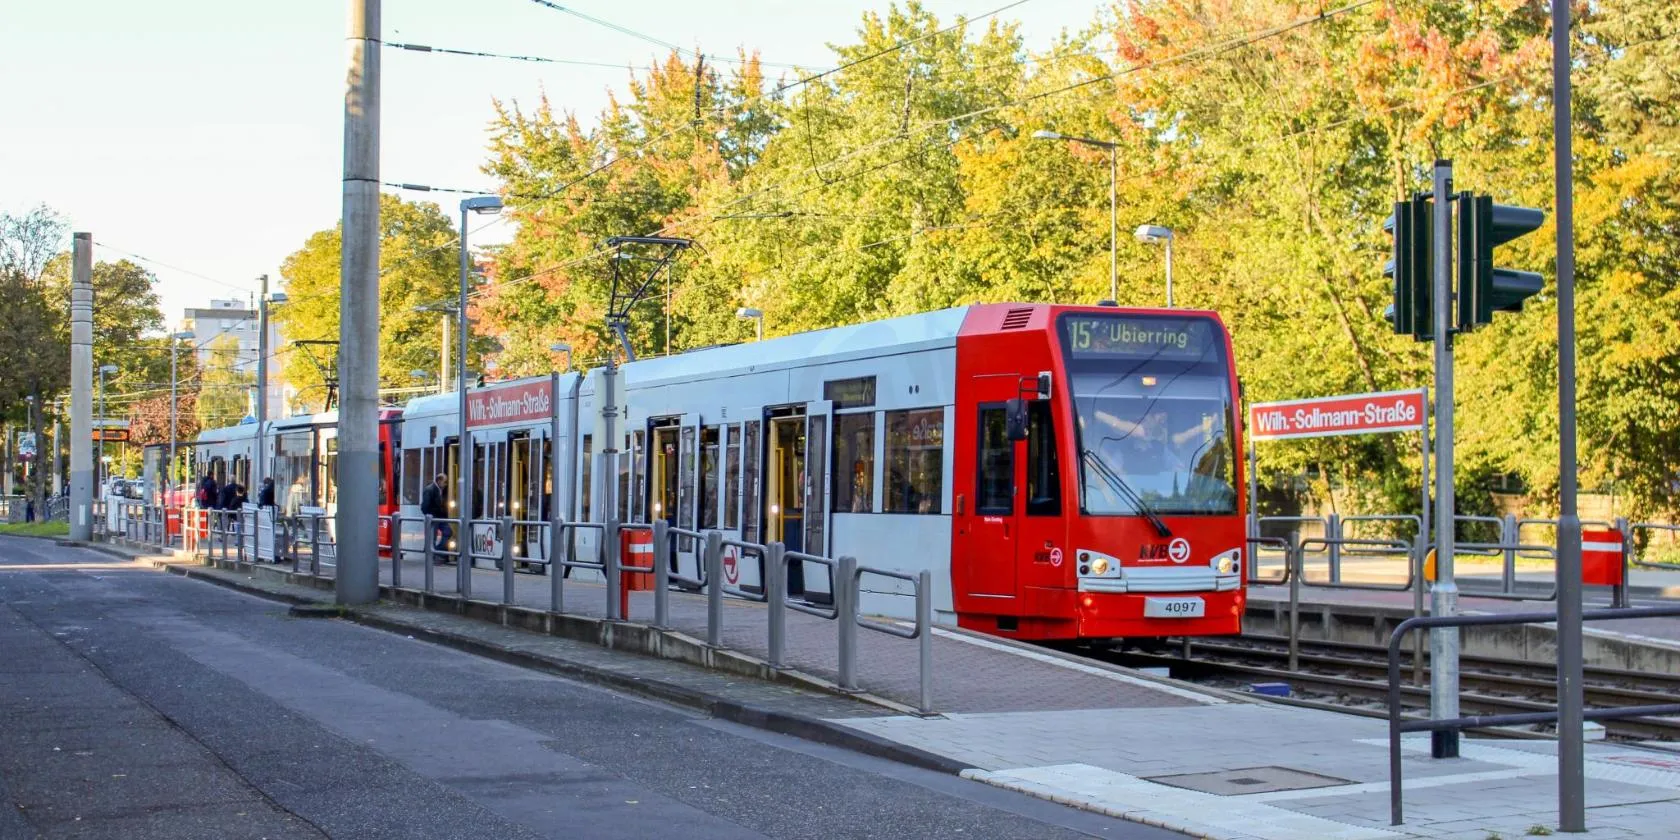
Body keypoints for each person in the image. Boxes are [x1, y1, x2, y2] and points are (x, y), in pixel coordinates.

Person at [420, 473, 451, 560]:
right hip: (433, 517)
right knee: (432, 537)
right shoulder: (429, 489)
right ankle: (431, 556)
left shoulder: (440, 489)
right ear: (439, 481)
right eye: (445, 482)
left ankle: (436, 550)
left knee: (448, 532)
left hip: (440, 517)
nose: (446, 484)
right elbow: (424, 507)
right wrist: (430, 516)